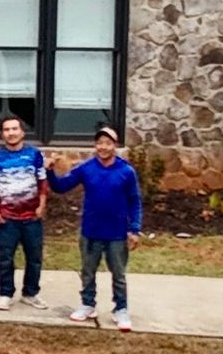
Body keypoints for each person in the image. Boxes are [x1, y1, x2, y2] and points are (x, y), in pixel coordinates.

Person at [49, 126, 143, 332]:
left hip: (117, 233)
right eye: (100, 143)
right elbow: (61, 187)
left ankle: (121, 309)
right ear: (95, 145)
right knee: (88, 271)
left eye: (108, 143)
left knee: (118, 274)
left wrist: (134, 229)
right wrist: (50, 171)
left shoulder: (126, 171)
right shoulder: (86, 168)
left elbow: (134, 202)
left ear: (115, 146)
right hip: (91, 231)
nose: (103, 147)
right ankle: (88, 305)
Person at [0, 114, 48, 311]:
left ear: (22, 132)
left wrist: (42, 206)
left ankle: (30, 293)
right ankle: (5, 294)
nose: (11, 133)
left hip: (31, 217)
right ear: (2, 134)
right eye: (6, 130)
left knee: (34, 257)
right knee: (5, 258)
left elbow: (42, 182)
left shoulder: (34, 154)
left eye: (14, 129)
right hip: (7, 218)